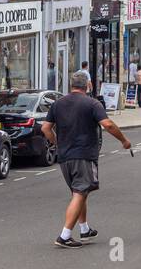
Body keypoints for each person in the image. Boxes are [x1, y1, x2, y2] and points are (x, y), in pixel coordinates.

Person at [40, 70, 132, 249]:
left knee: (79, 192)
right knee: (81, 192)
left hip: (65, 156)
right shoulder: (92, 103)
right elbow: (108, 124)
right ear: (87, 86)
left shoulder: (58, 104)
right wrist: (124, 140)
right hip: (83, 154)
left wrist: (56, 142)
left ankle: (84, 229)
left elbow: (45, 128)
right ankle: (64, 235)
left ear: (71, 86)